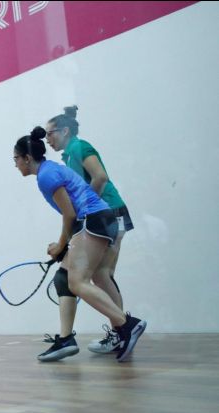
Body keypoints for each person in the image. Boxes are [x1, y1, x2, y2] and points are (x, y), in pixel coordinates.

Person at [13, 127, 146, 362]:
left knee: (77, 281)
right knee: (65, 278)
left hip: (93, 221)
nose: (15, 165)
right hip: (101, 220)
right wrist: (65, 245)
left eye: (16, 159)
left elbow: (69, 214)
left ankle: (126, 325)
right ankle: (66, 340)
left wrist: (60, 245)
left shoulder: (46, 176)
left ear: (27, 158)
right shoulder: (50, 170)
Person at [45, 106, 135, 354]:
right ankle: (122, 331)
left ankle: (124, 330)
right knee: (101, 275)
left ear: (64, 131)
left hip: (111, 212)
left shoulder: (80, 147)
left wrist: (86, 211)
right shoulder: (69, 155)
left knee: (102, 274)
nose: (47, 139)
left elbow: (100, 177)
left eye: (49, 133)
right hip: (108, 214)